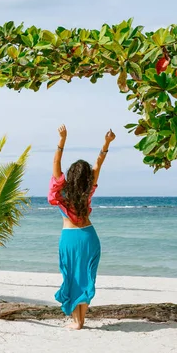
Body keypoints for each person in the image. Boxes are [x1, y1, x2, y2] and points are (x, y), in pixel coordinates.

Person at [48, 124, 115, 329]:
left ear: (70, 175)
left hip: (69, 238)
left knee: (72, 277)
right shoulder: (87, 190)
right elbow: (98, 163)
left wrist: (62, 140)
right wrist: (106, 143)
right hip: (89, 237)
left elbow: (56, 161)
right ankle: (80, 321)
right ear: (86, 177)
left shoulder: (61, 191)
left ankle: (76, 322)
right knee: (86, 277)